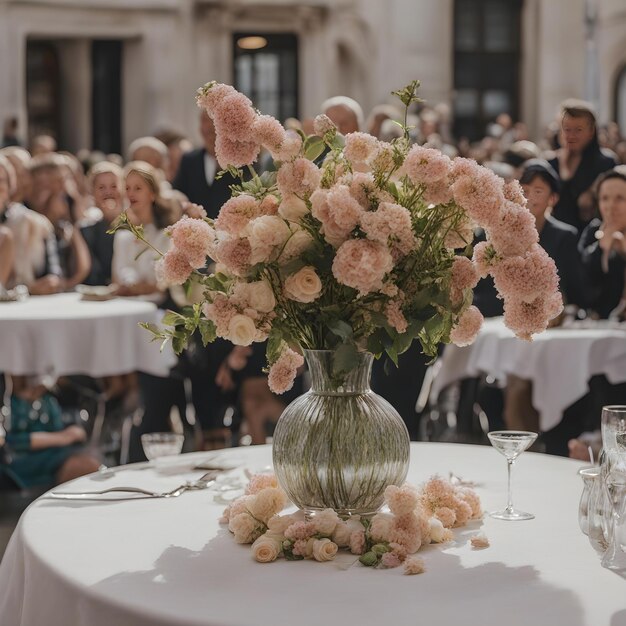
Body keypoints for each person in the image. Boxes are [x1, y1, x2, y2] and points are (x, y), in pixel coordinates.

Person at [0, 375, 100, 488]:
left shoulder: (48, 401)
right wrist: (64, 437)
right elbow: (11, 442)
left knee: (88, 463)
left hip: (53, 459)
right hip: (18, 464)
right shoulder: (9, 403)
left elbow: (58, 432)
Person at [548, 99, 616, 233]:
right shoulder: (550, 163)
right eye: (567, 129)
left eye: (578, 130)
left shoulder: (606, 163)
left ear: (591, 131)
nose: (571, 136)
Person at [579, 167, 626, 319]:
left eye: (620, 198)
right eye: (605, 198)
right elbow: (582, 288)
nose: (611, 206)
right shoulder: (593, 232)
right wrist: (602, 248)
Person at [172, 111, 237, 218]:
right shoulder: (189, 160)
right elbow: (178, 195)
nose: (208, 127)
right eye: (204, 121)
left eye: (212, 120)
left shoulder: (242, 163)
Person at [81, 161, 124, 286]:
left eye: (113, 186)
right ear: (92, 192)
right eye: (101, 187)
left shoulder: (136, 225)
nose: (108, 192)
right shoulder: (86, 230)